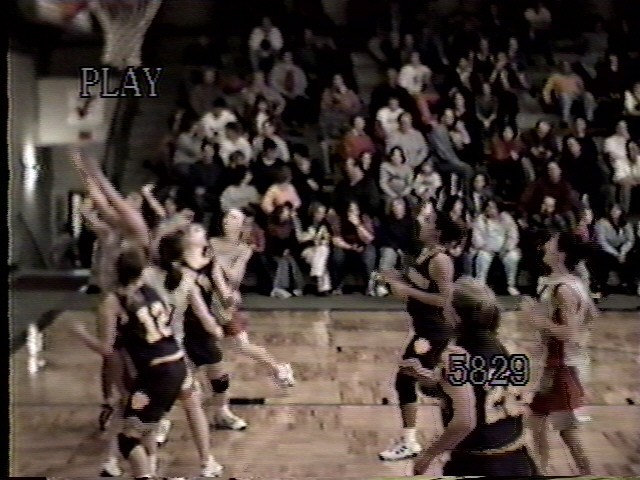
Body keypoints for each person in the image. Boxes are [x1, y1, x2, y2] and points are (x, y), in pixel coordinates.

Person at [412, 277, 538, 476]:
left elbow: (465, 421)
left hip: (478, 462)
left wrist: (429, 454)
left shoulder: (456, 356)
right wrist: (429, 379)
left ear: (454, 315)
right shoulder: (504, 347)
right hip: (518, 459)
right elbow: (479, 386)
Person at [378, 212, 461, 461]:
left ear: (437, 231)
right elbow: (421, 286)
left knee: (409, 380)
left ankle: (412, 441)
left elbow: (444, 300)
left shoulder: (441, 261)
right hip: (423, 327)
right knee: (414, 380)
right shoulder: (425, 254)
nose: (422, 224)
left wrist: (406, 290)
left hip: (434, 330)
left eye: (428, 222)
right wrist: (394, 279)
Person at [521, 232, 597, 476]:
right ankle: (540, 471)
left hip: (561, 366)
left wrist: (538, 319)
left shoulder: (563, 290)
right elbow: (592, 315)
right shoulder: (571, 283)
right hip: (556, 363)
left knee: (565, 429)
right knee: (537, 422)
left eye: (550, 244)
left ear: (561, 254)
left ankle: (586, 473)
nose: (545, 246)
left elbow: (569, 333)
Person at [209, 209, 296, 384]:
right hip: (205, 298)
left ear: (241, 225)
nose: (227, 220)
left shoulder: (244, 249)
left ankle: (278, 368)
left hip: (224, 302)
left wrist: (217, 262)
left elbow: (234, 278)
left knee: (242, 345)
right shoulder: (211, 242)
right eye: (227, 216)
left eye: (234, 217)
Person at [471, 200, 521, 295]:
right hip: (486, 249)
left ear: (498, 209)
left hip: (504, 250)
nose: (489, 209)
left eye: (492, 207)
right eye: (487, 207)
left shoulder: (506, 218)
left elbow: (513, 235)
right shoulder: (481, 218)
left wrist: (506, 249)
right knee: (482, 256)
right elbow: (477, 236)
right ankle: (480, 285)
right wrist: (484, 247)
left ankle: (511, 285)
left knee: (513, 257)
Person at [594, 204, 638, 295]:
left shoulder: (626, 223)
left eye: (617, 210)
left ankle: (628, 283)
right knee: (602, 257)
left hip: (622, 248)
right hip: (607, 249)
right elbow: (602, 242)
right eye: (613, 210)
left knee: (632, 256)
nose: (615, 212)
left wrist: (622, 253)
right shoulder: (602, 223)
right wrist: (616, 254)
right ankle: (601, 285)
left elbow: (630, 240)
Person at [293, 202, 333, 294]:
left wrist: (321, 241)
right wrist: (311, 238)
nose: (322, 215)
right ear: (313, 212)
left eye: (323, 213)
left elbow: (327, 240)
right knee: (320, 258)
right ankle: (324, 287)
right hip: (307, 250)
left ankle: (317, 274)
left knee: (322, 250)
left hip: (320, 250)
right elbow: (300, 239)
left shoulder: (324, 225)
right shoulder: (305, 223)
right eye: (320, 212)